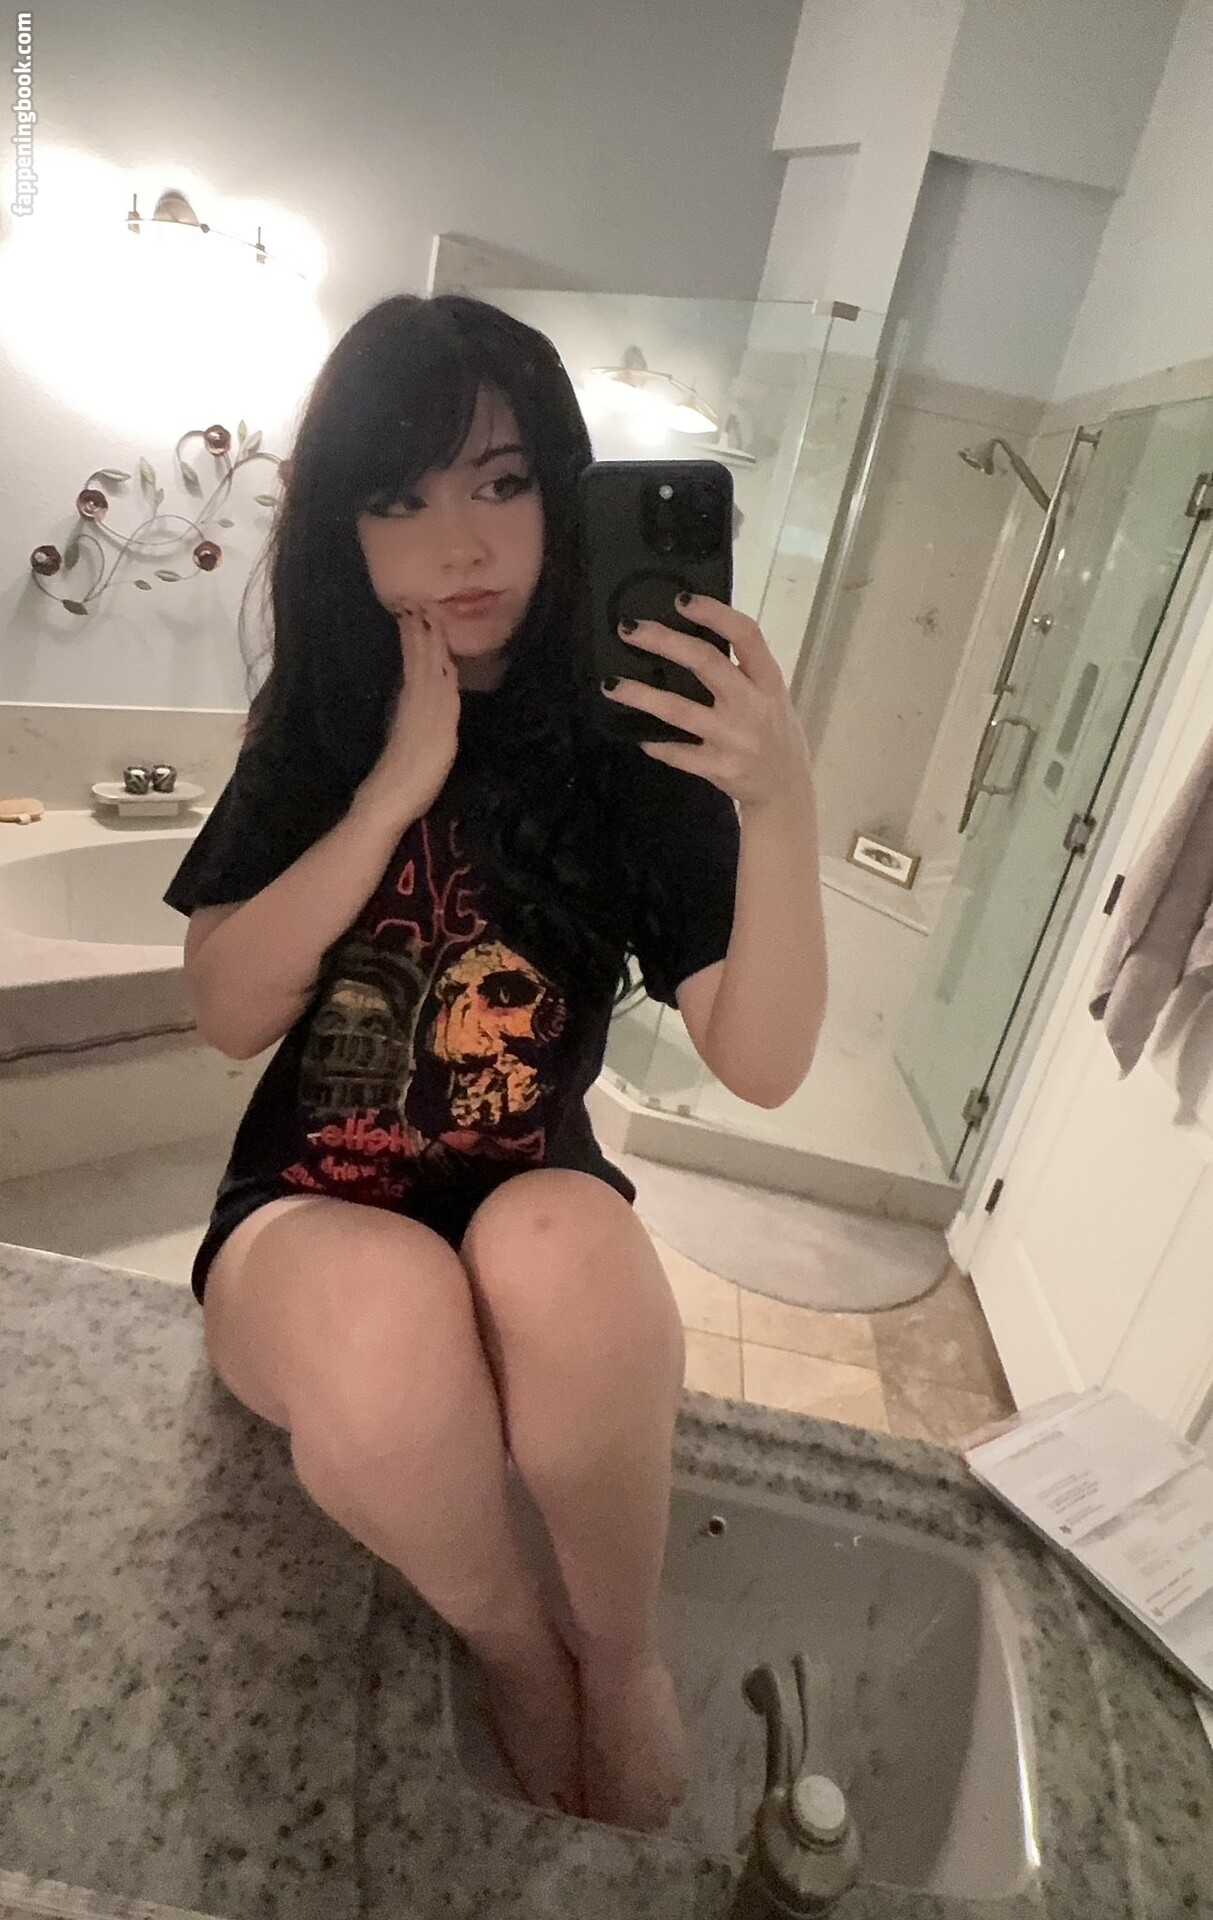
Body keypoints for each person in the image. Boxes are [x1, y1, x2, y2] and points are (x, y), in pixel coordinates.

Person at [164, 292, 826, 1835]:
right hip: (306, 1209)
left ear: (563, 495)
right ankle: (520, 1652)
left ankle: (620, 1654)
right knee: (390, 1317)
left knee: (559, 1248)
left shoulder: (630, 746)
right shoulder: (318, 730)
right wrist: (392, 793)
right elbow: (227, 1010)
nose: (457, 544)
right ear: (344, 530)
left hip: (530, 1184)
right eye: (398, 499)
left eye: (502, 482)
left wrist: (780, 805)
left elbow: (763, 1063)